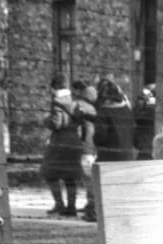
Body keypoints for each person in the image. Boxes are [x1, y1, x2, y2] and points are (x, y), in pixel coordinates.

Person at [40, 75, 84, 217]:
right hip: (74, 140)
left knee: (50, 172)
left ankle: (59, 204)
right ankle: (71, 207)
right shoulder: (75, 102)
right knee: (70, 175)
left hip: (60, 141)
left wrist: (46, 121)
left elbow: (57, 124)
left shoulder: (57, 102)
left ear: (53, 88)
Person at [93, 78, 137, 165]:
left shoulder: (104, 111)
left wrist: (94, 139)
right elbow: (134, 132)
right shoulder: (127, 110)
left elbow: (101, 137)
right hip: (127, 155)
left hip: (109, 157)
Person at [73, 81, 100, 221]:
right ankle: (91, 205)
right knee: (91, 178)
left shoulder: (81, 108)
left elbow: (83, 132)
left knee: (89, 179)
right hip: (93, 148)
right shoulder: (95, 110)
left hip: (86, 148)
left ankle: (92, 206)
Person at [133, 84, 157, 160]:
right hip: (145, 142)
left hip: (147, 143)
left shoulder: (151, 111)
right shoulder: (148, 109)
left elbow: (137, 117)